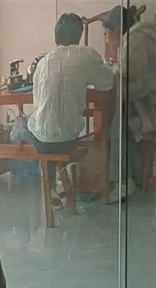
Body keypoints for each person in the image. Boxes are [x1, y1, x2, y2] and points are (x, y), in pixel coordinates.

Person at [25, 13, 115, 203]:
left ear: (56, 36)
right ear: (79, 35)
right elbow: (107, 83)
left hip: (43, 140)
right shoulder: (86, 54)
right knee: (60, 130)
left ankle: (51, 187)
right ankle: (67, 184)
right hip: (68, 139)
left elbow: (37, 103)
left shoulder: (43, 62)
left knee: (39, 129)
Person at [103, 5, 156, 200]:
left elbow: (134, 84)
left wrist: (112, 72)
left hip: (149, 108)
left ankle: (122, 181)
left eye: (106, 34)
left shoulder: (135, 40)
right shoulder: (140, 37)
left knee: (116, 123)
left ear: (117, 30)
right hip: (149, 102)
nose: (107, 40)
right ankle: (129, 178)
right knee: (120, 117)